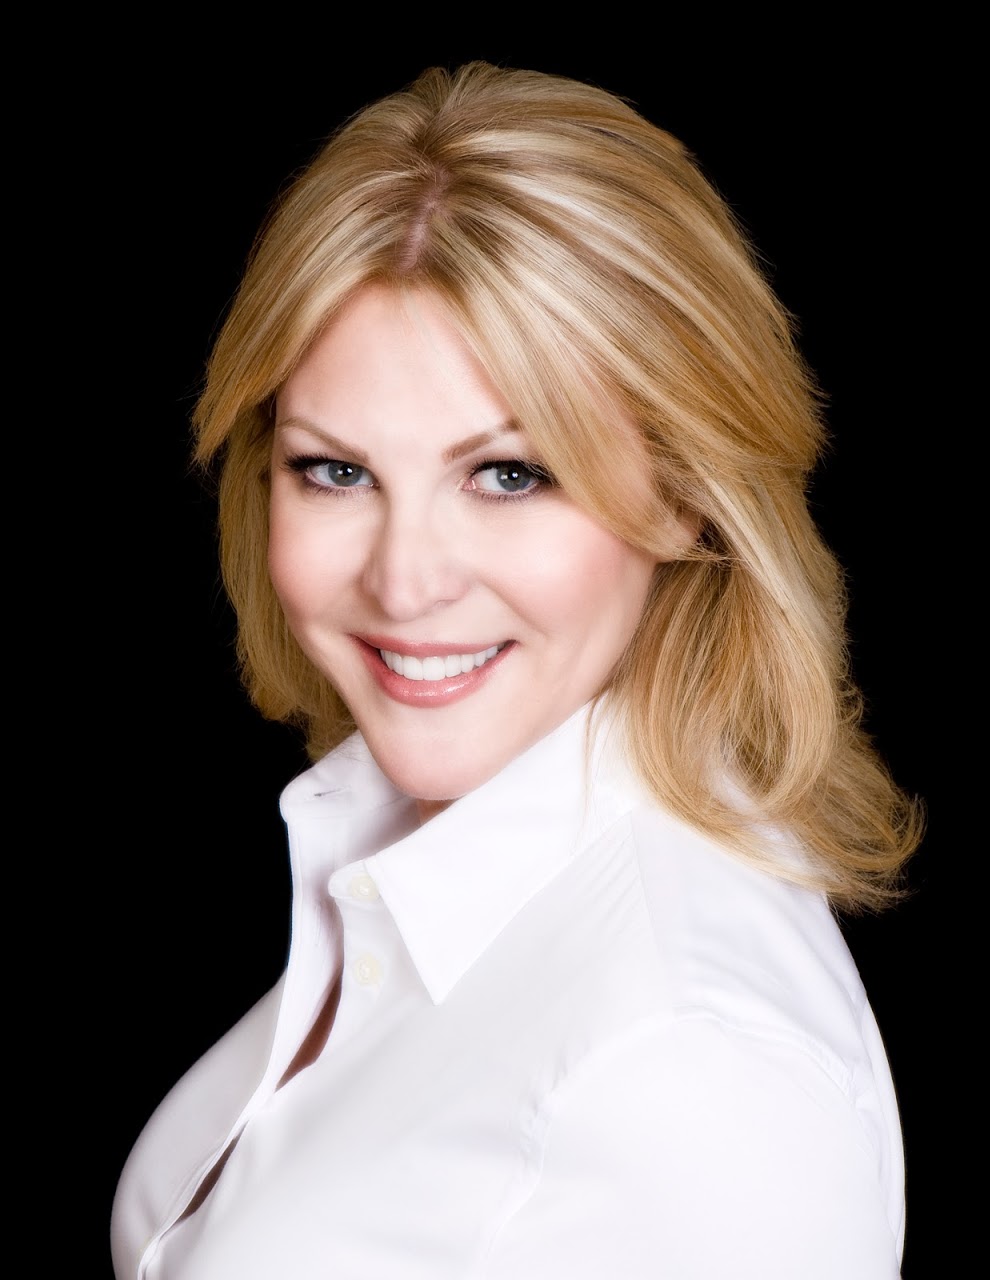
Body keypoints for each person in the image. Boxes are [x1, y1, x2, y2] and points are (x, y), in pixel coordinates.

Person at [111, 62, 921, 1278]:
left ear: (687, 495)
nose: (403, 581)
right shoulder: (403, 844)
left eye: (508, 474)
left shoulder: (692, 1070)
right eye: (336, 470)